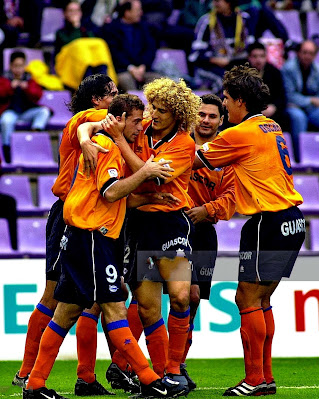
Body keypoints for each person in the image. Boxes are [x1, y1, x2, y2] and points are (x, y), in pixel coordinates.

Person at [22, 93, 185, 399]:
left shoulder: (104, 141)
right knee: (114, 307)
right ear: (119, 119)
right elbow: (111, 193)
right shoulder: (109, 146)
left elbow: (111, 194)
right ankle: (151, 381)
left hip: (81, 235)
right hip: (93, 238)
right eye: (136, 121)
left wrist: (150, 197)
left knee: (66, 313)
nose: (141, 127)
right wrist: (146, 173)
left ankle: (34, 384)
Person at [193, 64, 305, 396]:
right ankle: (265, 378)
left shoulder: (239, 133)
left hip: (266, 221)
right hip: (292, 220)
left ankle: (254, 379)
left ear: (240, 100)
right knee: (263, 299)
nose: (224, 105)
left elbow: (194, 161)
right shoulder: (271, 125)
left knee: (247, 298)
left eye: (226, 99)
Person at [12, 74, 119, 397]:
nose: (117, 99)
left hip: (95, 214)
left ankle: (86, 376)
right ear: (96, 100)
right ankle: (26, 373)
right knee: (54, 296)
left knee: (93, 300)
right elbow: (110, 121)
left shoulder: (101, 128)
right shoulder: (86, 119)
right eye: (112, 94)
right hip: (69, 215)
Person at [98, 77, 201, 393]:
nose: (153, 114)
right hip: (138, 226)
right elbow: (140, 170)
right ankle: (160, 377)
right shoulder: (139, 129)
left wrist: (123, 145)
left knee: (182, 295)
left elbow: (152, 175)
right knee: (146, 307)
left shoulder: (184, 143)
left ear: (179, 115)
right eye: (153, 106)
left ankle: (174, 368)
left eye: (162, 110)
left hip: (172, 224)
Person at [178, 94, 236, 390]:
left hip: (202, 232)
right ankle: (126, 366)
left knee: (194, 297)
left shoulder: (227, 157)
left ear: (221, 121)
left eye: (212, 116)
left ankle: (177, 364)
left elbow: (230, 199)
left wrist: (207, 210)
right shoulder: (178, 144)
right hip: (170, 226)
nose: (206, 120)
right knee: (144, 297)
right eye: (201, 114)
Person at [0, 51, 51, 163]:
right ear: (10, 66)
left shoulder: (29, 79)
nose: (18, 69)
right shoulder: (4, 78)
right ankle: (7, 149)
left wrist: (27, 88)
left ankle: (34, 135)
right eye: (15, 66)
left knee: (44, 112)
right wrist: (10, 87)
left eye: (21, 66)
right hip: (10, 112)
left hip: (27, 112)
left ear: (25, 66)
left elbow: (38, 95)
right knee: (5, 121)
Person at [189, 0, 249, 93]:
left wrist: (231, 61)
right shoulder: (206, 21)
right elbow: (195, 55)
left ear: (229, 2)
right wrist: (215, 60)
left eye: (218, 0)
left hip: (237, 64)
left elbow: (251, 48)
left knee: (250, 82)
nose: (214, 3)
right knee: (226, 83)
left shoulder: (244, 19)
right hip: (209, 67)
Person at [54, 1, 117, 91]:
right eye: (71, 11)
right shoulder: (61, 33)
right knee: (80, 47)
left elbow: (92, 42)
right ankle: (89, 85)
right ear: (65, 14)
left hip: (91, 65)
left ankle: (104, 81)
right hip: (68, 66)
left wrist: (79, 27)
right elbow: (73, 44)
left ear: (81, 13)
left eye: (77, 11)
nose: (74, 14)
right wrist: (75, 27)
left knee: (100, 43)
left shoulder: (88, 28)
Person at [101, 0, 161, 92]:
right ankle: (134, 106)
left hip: (143, 69)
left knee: (159, 80)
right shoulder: (111, 29)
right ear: (127, 12)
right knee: (126, 81)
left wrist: (143, 66)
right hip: (122, 70)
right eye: (137, 10)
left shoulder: (144, 27)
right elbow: (115, 53)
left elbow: (150, 48)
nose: (141, 13)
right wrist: (130, 68)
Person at [281, 40, 319, 162]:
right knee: (299, 118)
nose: (307, 56)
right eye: (304, 52)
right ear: (298, 53)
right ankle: (299, 157)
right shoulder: (288, 69)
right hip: (292, 107)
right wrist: (310, 100)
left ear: (315, 55)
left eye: (311, 53)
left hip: (311, 109)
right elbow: (288, 95)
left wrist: (310, 102)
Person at [247, 41, 287, 128]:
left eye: (262, 56)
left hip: (269, 111)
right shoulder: (241, 73)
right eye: (255, 56)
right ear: (249, 57)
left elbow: (281, 96)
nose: (259, 60)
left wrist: (274, 107)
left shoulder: (274, 72)